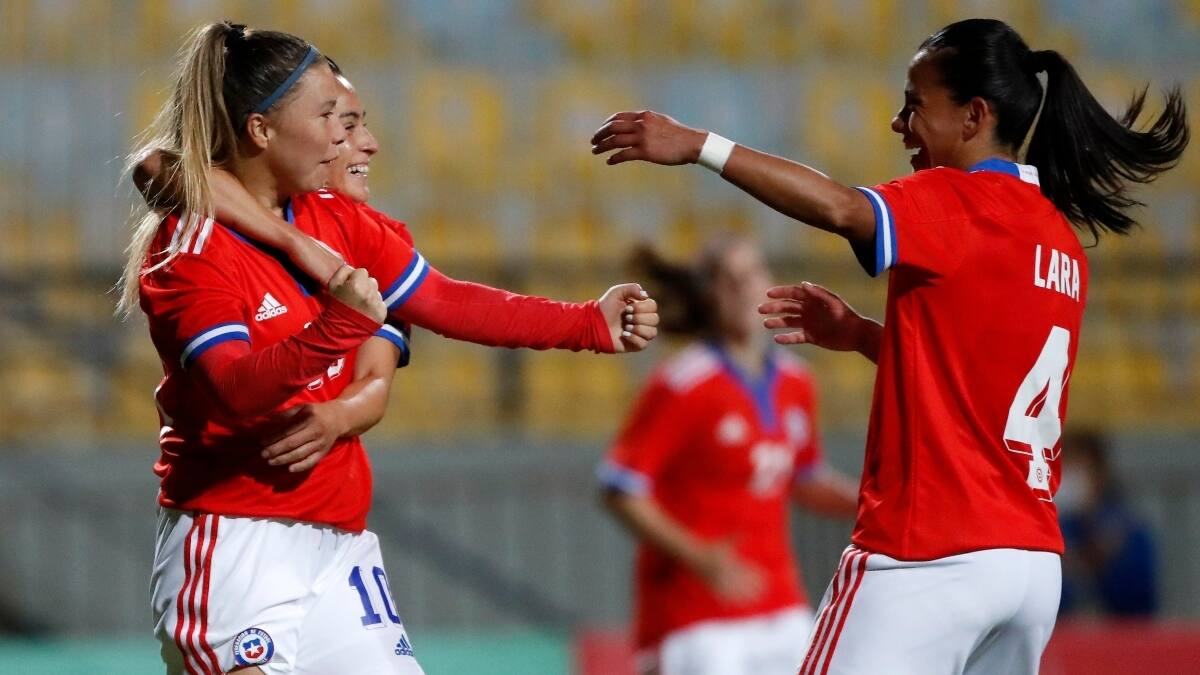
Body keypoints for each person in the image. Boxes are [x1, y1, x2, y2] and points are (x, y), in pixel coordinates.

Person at [590, 17, 1188, 675]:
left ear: (973, 116)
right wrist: (862, 336)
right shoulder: (1060, 241)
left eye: (915, 104)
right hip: (1030, 569)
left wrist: (699, 143)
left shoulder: (956, 201)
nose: (900, 124)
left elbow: (842, 208)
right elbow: (976, 377)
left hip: (930, 554)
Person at [121, 22, 658, 675]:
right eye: (326, 116)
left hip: (338, 543)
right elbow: (234, 390)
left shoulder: (338, 220)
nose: (346, 139)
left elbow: (447, 300)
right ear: (261, 131)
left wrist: (587, 324)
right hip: (233, 539)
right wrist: (337, 327)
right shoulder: (191, 249)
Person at [598, 236, 858, 675]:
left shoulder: (797, 382)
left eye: (752, 273)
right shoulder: (685, 383)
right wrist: (700, 556)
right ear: (709, 296)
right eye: (728, 279)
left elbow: (806, 478)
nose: (742, 288)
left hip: (779, 603)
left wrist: (876, 500)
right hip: (696, 614)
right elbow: (621, 487)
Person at [1057, 429, 1159, 617]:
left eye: (1077, 465)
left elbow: (1140, 601)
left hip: (1122, 637)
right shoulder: (1054, 530)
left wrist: (1107, 561)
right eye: (1064, 464)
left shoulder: (1129, 531)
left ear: (1099, 472)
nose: (1069, 475)